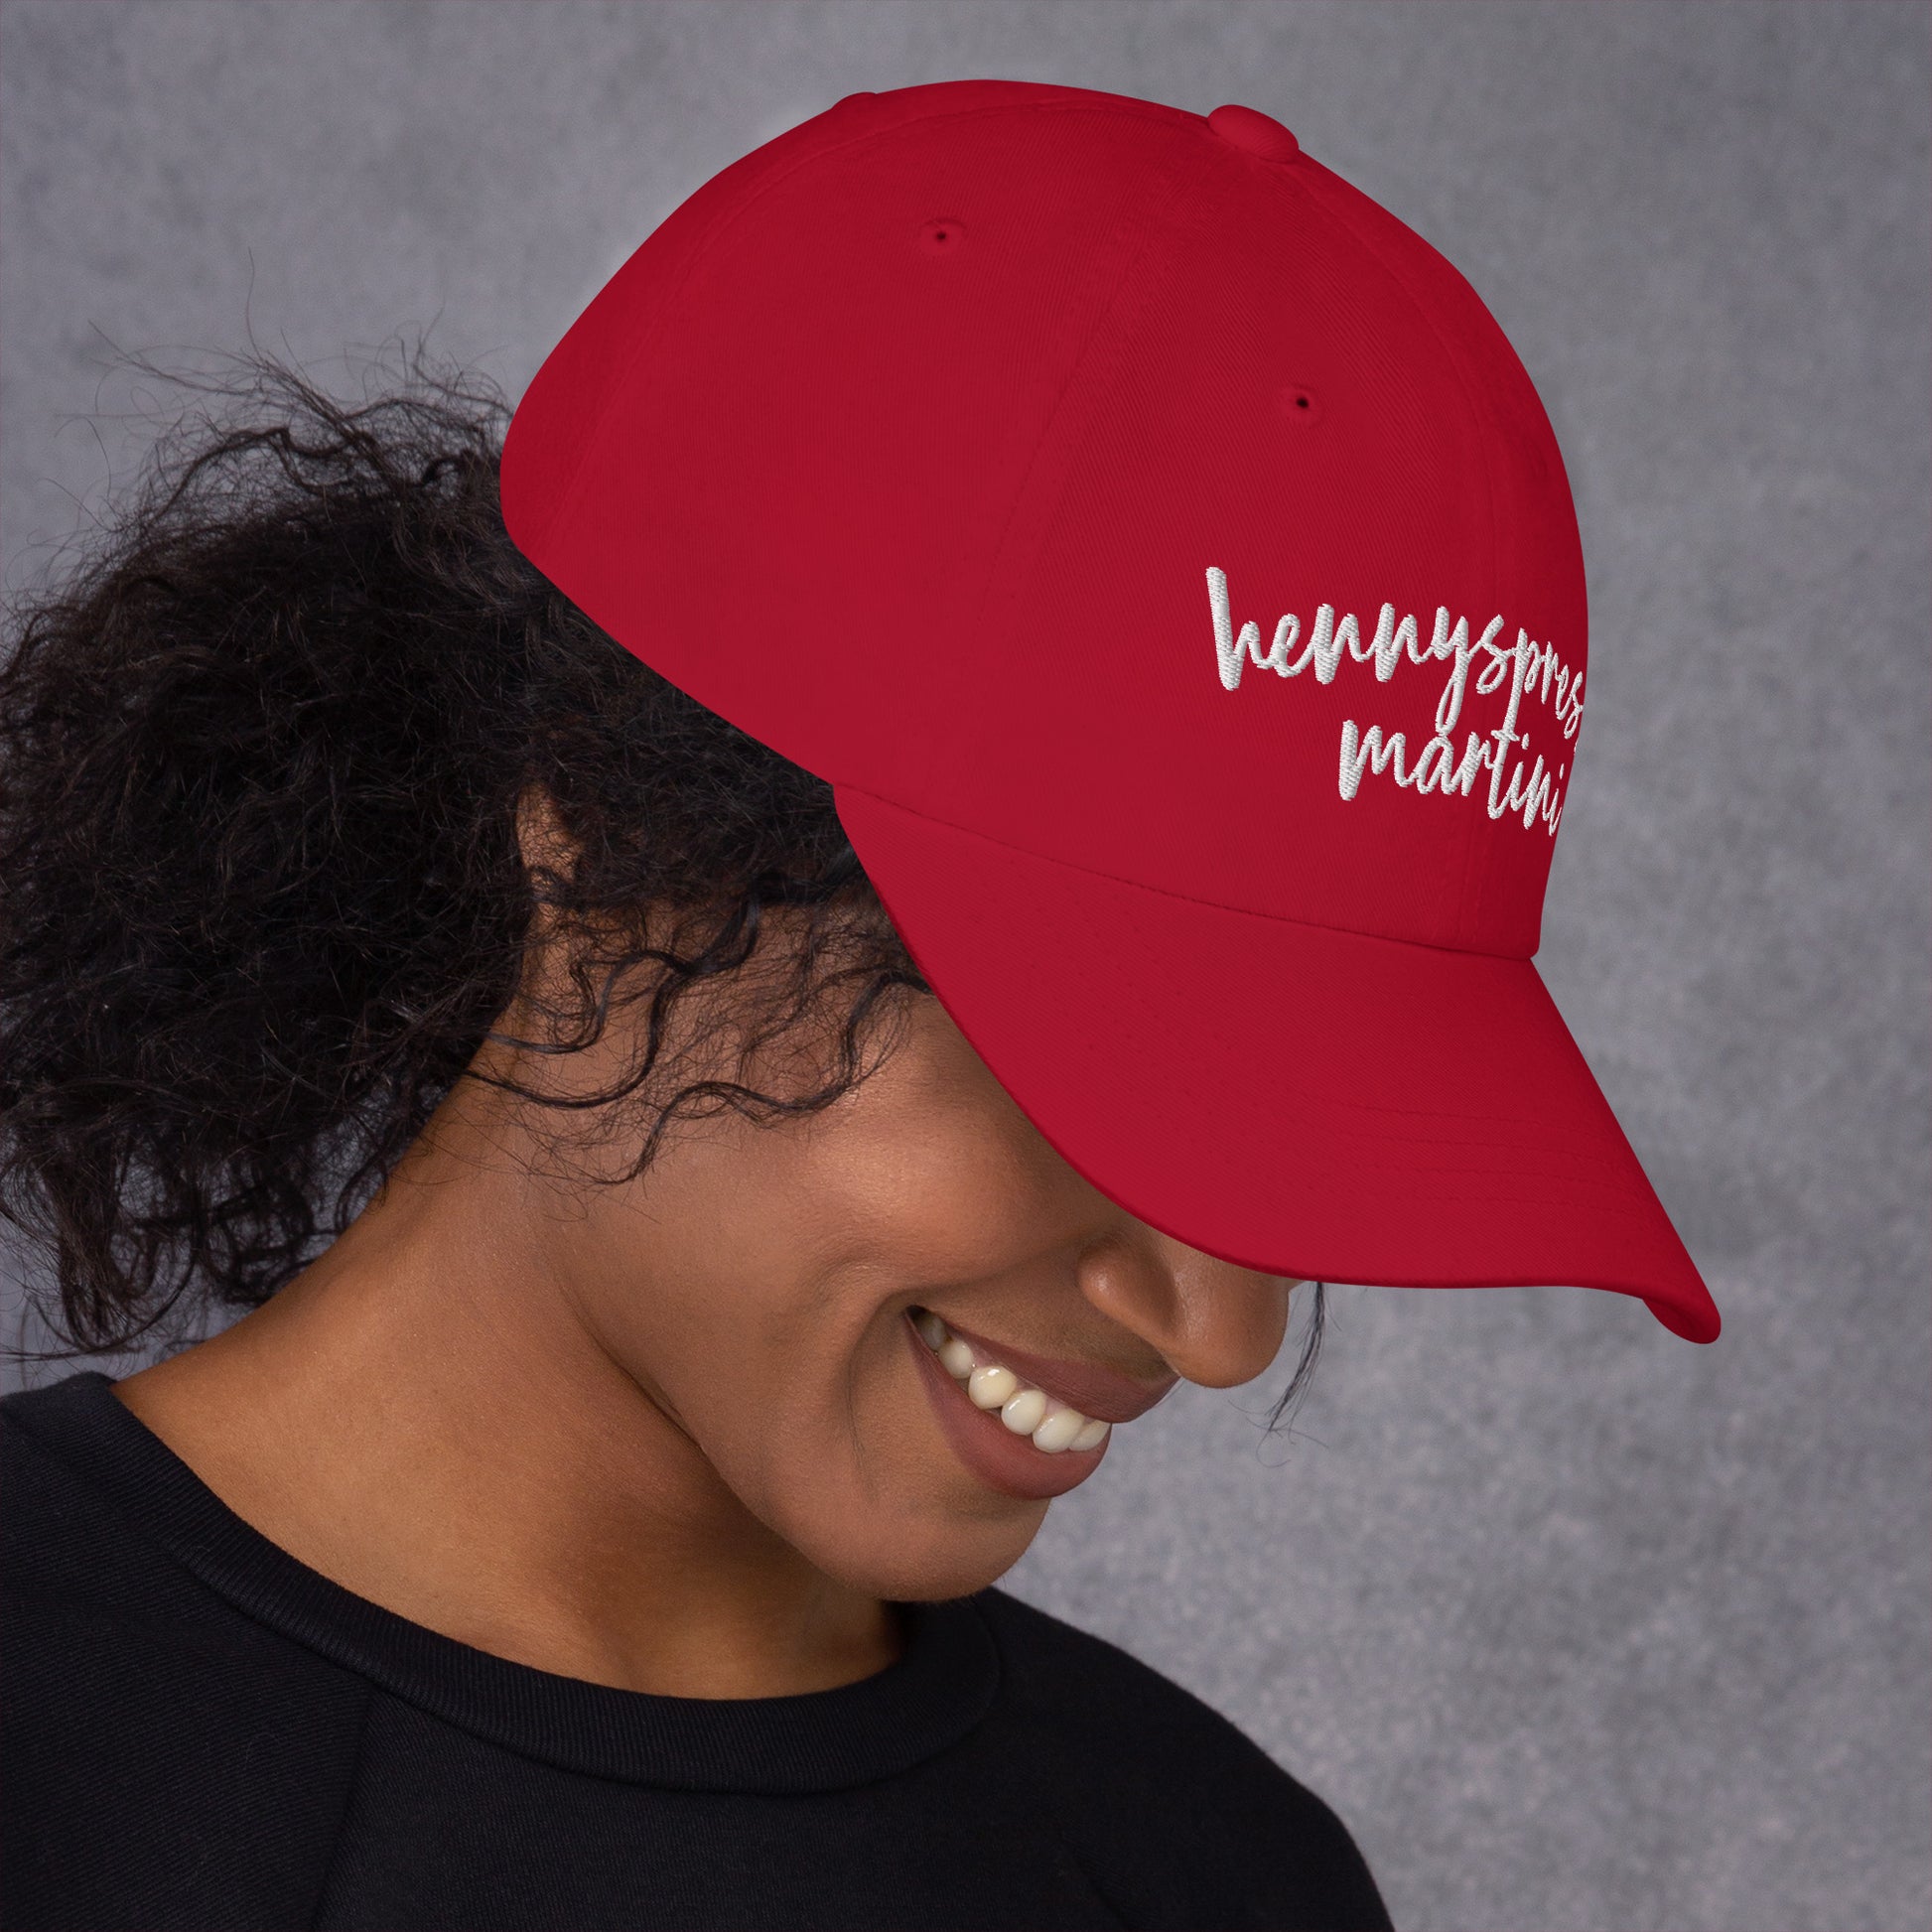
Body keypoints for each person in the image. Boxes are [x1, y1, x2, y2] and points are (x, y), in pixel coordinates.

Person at [0, 78, 1720, 1932]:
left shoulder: (1222, 1878)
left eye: (1301, 1136)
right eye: (1107, 1069)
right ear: (592, 832)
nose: (1222, 1329)